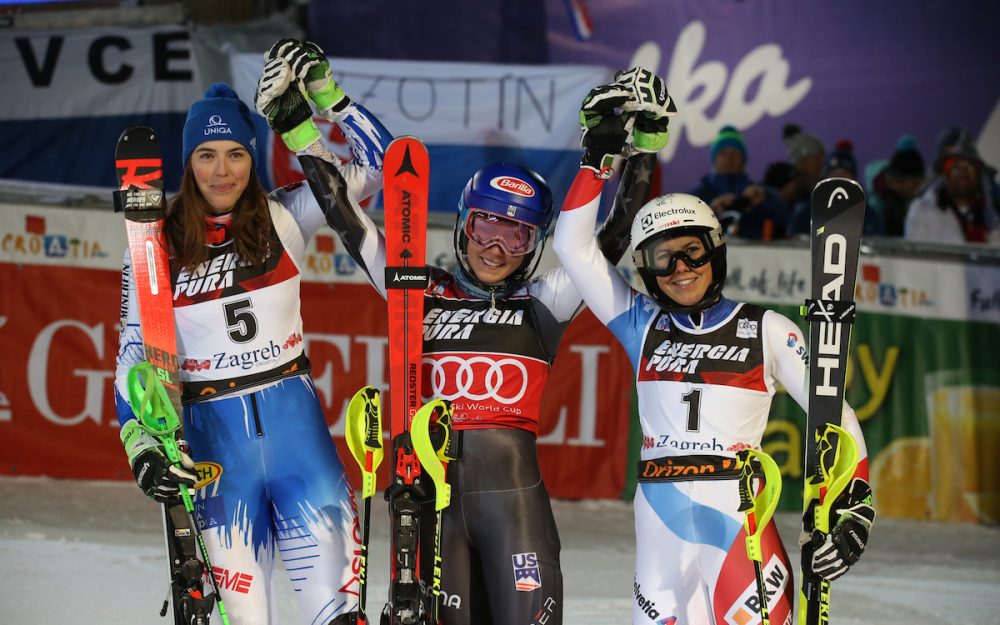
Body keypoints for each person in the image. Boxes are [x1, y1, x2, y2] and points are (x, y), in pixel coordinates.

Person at [257, 45, 667, 625]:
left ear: (536, 245)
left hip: (514, 509)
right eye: (485, 227)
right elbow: (349, 220)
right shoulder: (418, 292)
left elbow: (612, 236)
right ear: (463, 223)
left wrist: (642, 147)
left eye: (517, 236)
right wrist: (301, 126)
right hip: (432, 509)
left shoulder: (544, 301)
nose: (496, 249)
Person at [552, 79, 876, 624]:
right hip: (658, 515)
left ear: (716, 252)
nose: (680, 270)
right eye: (662, 260)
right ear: (648, 273)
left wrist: (854, 502)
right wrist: (596, 158)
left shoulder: (765, 328)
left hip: (740, 513)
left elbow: (832, 410)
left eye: (692, 251)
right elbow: (572, 247)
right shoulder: (642, 324)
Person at [114, 80, 391, 625]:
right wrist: (138, 443)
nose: (223, 171)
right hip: (216, 457)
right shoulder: (155, 244)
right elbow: (131, 354)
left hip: (300, 444)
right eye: (208, 156)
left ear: (252, 157)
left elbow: (384, 168)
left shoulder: (290, 211)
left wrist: (329, 99)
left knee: (339, 617)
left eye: (236, 154)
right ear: (189, 162)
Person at [688, 125, 788, 240]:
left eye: (735, 153)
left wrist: (764, 199)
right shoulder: (696, 196)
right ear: (714, 158)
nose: (729, 158)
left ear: (743, 159)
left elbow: (784, 221)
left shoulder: (758, 193)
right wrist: (710, 211)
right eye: (723, 153)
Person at [905, 142, 1000, 244]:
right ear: (944, 174)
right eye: (955, 167)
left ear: (979, 175)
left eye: (970, 167)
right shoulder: (922, 210)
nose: (963, 172)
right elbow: (917, 256)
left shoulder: (993, 215)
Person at [868, 135, 926, 237]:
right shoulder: (887, 206)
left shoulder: (933, 203)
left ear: (919, 181)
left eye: (902, 182)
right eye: (893, 182)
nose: (897, 187)